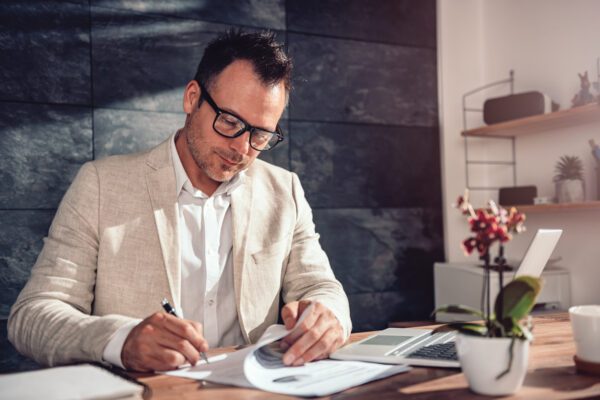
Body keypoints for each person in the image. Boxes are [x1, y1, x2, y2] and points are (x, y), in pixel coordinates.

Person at [8, 30, 351, 372]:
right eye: (230, 121)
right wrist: (122, 340)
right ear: (191, 98)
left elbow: (320, 286)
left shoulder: (284, 190)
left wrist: (327, 316)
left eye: (260, 134)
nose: (243, 149)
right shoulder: (101, 185)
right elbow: (34, 315)